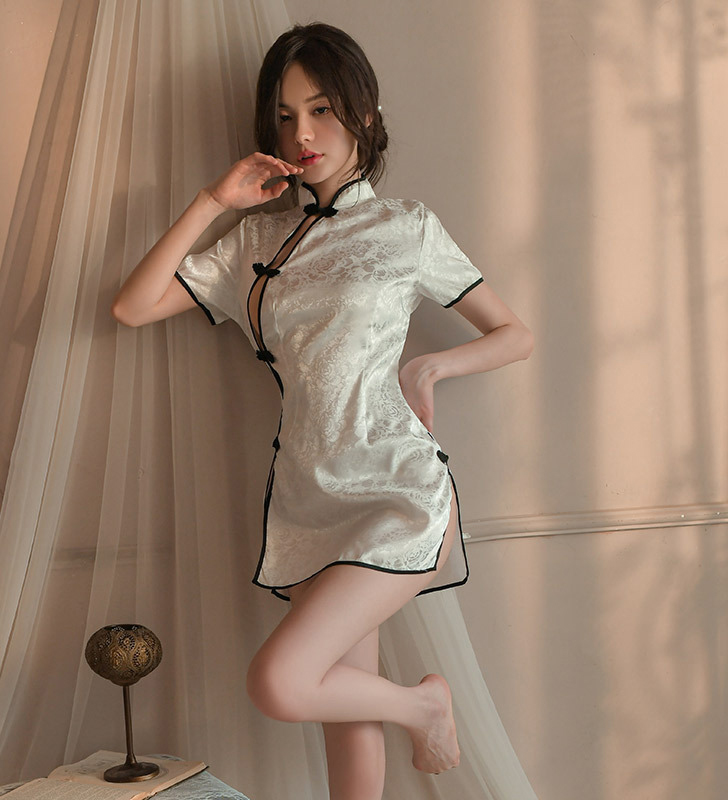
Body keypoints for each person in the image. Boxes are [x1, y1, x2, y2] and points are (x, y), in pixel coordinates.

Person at [112, 21, 533, 800]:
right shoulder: (256, 241)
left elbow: (515, 334)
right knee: (346, 722)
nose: (302, 134)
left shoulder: (406, 227)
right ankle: (412, 708)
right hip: (308, 497)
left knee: (280, 681)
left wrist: (431, 364)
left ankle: (424, 705)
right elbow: (133, 306)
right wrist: (213, 201)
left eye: (321, 111)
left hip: (396, 490)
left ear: (363, 114)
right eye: (284, 116)